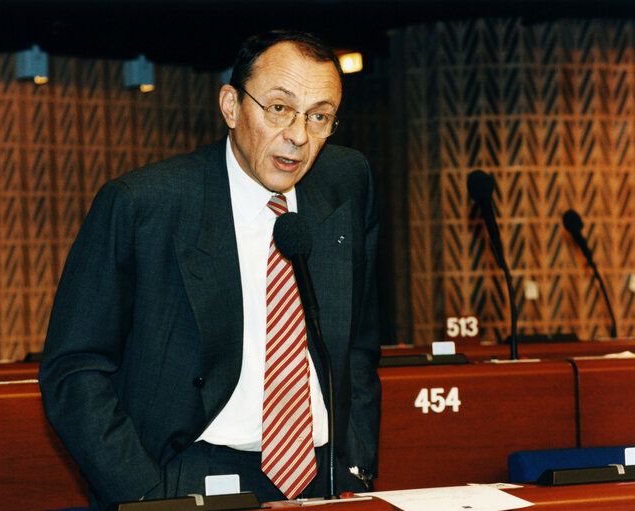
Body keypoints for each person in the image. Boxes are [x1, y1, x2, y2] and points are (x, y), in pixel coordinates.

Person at [39, 29, 381, 511]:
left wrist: (356, 469)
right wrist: (146, 494)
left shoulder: (348, 183)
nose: (299, 136)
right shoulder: (144, 205)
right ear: (231, 106)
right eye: (279, 108)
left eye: (320, 117)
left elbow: (359, 347)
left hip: (322, 476)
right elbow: (73, 368)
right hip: (188, 476)